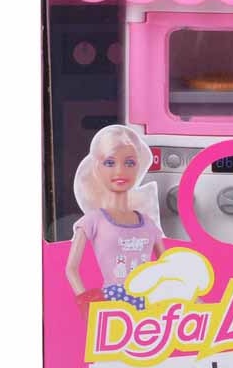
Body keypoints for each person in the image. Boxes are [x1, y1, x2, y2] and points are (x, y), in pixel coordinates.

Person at [65, 124, 165, 316]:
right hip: (111, 303)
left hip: (149, 303)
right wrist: (87, 301)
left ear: (138, 166)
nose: (120, 171)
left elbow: (167, 267)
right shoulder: (93, 220)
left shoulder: (148, 223)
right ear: (97, 168)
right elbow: (71, 268)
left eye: (129, 163)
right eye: (110, 163)